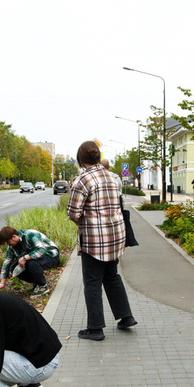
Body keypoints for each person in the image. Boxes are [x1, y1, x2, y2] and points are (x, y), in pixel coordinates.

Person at [67, 141, 137, 341]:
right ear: (98, 157)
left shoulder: (82, 180)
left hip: (94, 240)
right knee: (112, 276)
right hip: (115, 236)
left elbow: (73, 213)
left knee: (92, 282)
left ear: (81, 159)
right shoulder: (113, 177)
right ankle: (126, 316)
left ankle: (95, 328)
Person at [0, 226, 60, 297]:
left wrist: (25, 258)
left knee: (31, 263)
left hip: (51, 256)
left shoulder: (30, 235)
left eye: (8, 242)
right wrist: (2, 282)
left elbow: (42, 250)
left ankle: (42, 286)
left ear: (14, 237)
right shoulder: (12, 246)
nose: (8, 245)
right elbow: (6, 262)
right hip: (36, 259)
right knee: (14, 268)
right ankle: (37, 282)